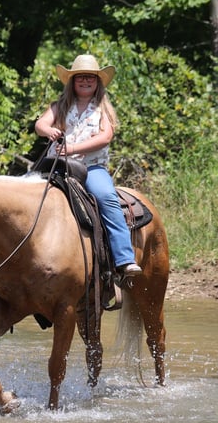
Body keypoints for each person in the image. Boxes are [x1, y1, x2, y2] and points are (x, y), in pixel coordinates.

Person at [34, 54, 142, 277]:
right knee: (22, 191)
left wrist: (73, 148)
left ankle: (124, 258)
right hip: (56, 165)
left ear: (97, 82)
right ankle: (3, 251)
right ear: (72, 81)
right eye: (80, 77)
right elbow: (40, 124)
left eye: (90, 77)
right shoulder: (59, 106)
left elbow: (105, 137)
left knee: (106, 197)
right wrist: (48, 130)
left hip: (90, 168)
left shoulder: (103, 109)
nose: (85, 81)